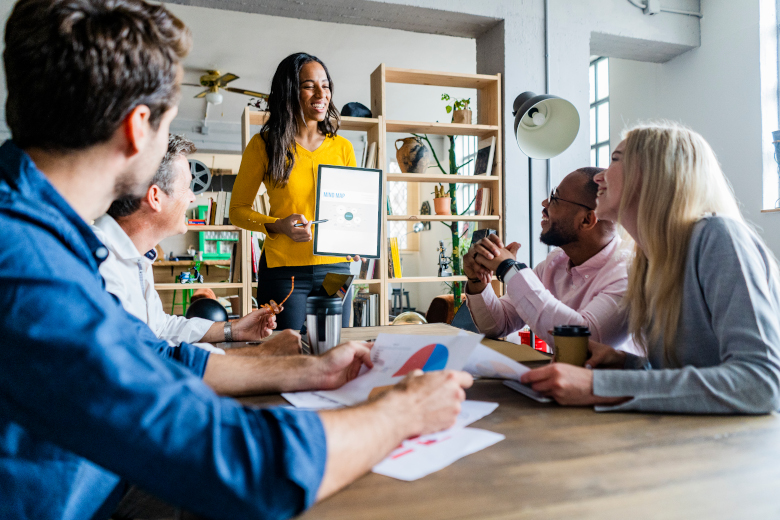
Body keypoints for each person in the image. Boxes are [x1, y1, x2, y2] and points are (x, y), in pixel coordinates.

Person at [0, 2, 473, 520]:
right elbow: (240, 464)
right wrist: (401, 410)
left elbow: (152, 356)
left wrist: (304, 370)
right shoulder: (27, 267)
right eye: (170, 125)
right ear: (139, 129)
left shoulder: (49, 238)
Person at [520, 122, 780, 414]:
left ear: (655, 174)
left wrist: (598, 387)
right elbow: (691, 370)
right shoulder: (649, 260)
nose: (601, 177)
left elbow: (761, 383)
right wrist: (625, 363)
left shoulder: (718, 237)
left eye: (615, 160)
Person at [93, 132, 301, 356]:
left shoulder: (136, 255)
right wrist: (258, 357)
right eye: (187, 187)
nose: (193, 197)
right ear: (155, 197)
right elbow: (136, 358)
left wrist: (234, 329)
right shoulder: (99, 263)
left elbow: (160, 327)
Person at [230, 52, 358, 331]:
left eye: (325, 85)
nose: (321, 93)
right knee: (285, 355)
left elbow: (350, 210)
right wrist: (278, 225)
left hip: (335, 271)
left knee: (333, 353)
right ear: (290, 92)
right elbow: (237, 212)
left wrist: (356, 237)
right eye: (309, 85)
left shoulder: (343, 148)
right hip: (283, 272)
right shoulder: (263, 145)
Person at [464, 167, 637, 353]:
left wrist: (510, 269)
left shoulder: (628, 274)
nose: (545, 203)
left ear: (587, 220)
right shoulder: (556, 262)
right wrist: (478, 281)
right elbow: (498, 325)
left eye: (555, 198)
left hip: (607, 382)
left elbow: (583, 342)